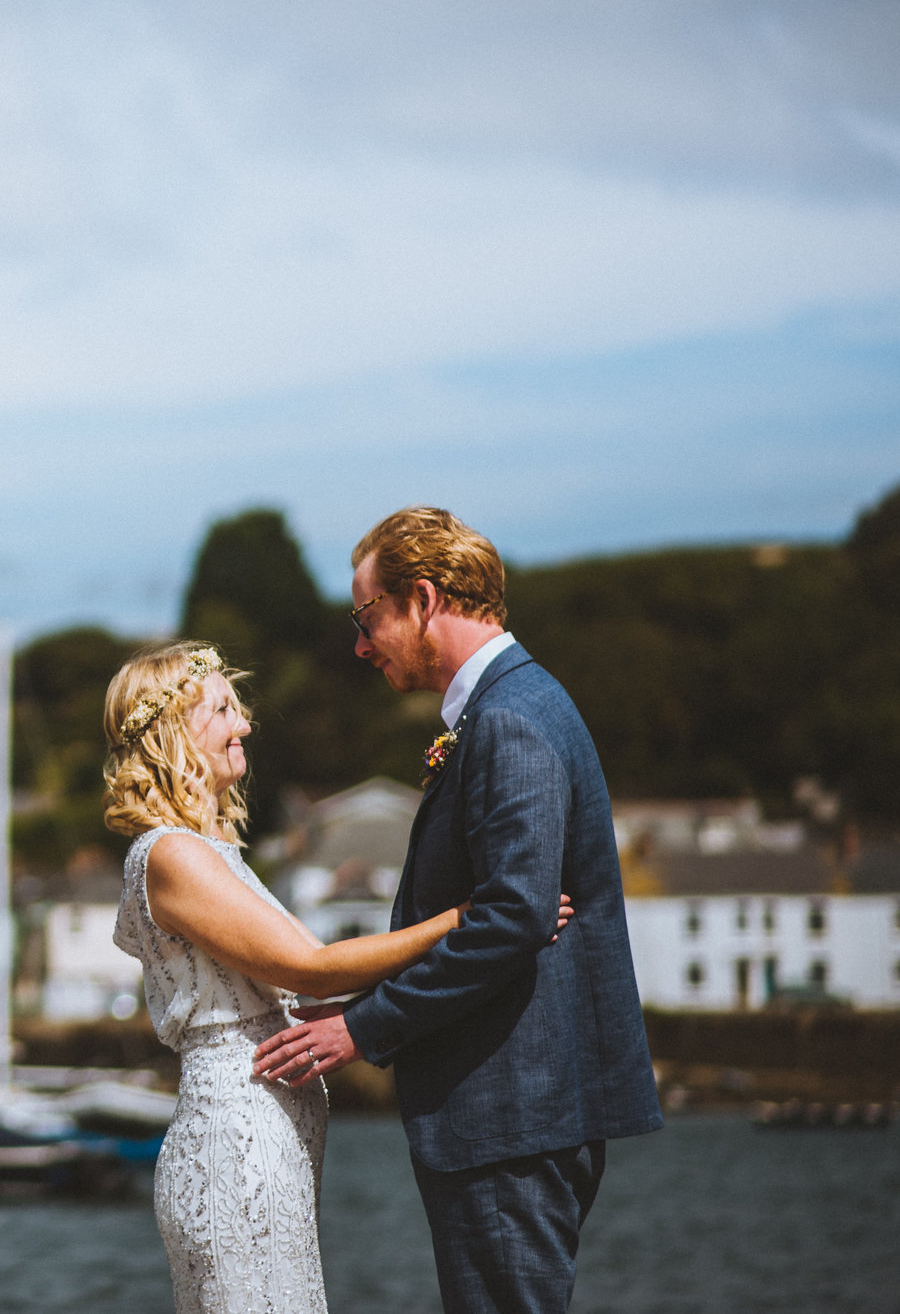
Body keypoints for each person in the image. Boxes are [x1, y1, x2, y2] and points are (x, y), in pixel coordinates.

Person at [252, 507, 661, 1314]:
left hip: (511, 1111)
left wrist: (360, 1027)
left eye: (368, 619)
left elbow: (512, 915)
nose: (361, 645)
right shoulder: (514, 707)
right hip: (523, 1108)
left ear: (425, 599)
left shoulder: (508, 721)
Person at [106, 641, 569, 1314]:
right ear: (173, 731)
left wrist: (488, 946)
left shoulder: (210, 851)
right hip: (235, 1148)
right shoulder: (171, 854)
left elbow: (301, 990)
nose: (244, 724)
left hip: (266, 1143)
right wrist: (470, 918)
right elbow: (311, 968)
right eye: (223, 709)